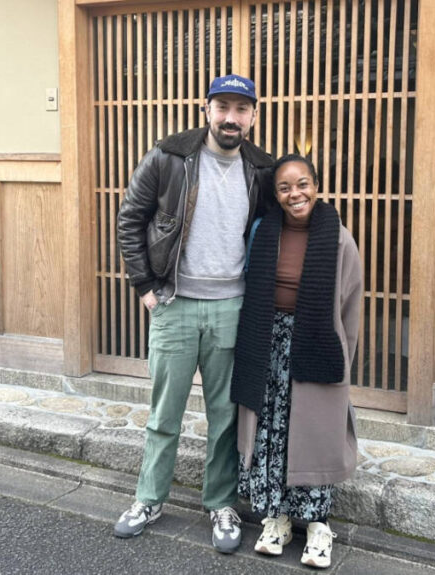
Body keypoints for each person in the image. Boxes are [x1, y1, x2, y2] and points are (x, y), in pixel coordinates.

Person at [113, 74, 273, 553]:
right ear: (206, 109)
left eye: (241, 109)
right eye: (222, 106)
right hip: (175, 303)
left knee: (225, 415)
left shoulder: (261, 168)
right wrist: (144, 286)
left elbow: (277, 227)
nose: (231, 117)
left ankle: (221, 503)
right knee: (166, 412)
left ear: (252, 117)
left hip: (232, 306)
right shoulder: (169, 156)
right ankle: (149, 498)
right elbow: (130, 218)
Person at [230, 154, 363, 569]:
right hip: (267, 342)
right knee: (271, 429)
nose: (295, 194)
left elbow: (351, 307)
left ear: (316, 186)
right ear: (276, 194)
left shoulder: (338, 238)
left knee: (312, 433)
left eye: (302, 184)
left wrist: (342, 363)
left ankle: (318, 525)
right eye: (285, 188)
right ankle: (277, 518)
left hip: (315, 344)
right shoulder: (263, 232)